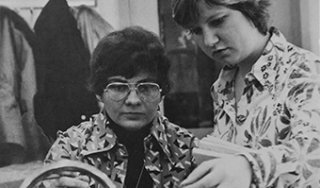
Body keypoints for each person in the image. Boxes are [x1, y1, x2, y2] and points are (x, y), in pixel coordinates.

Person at [172, 0, 320, 188]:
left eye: (218, 21)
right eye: (197, 31)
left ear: (251, 7)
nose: (209, 41)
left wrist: (249, 166)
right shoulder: (221, 86)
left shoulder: (306, 70)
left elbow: (315, 153)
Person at [41, 26, 195, 188]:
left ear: (161, 92)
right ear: (99, 93)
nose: (133, 100)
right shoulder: (70, 150)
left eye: (146, 87)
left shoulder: (186, 149)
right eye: (119, 87)